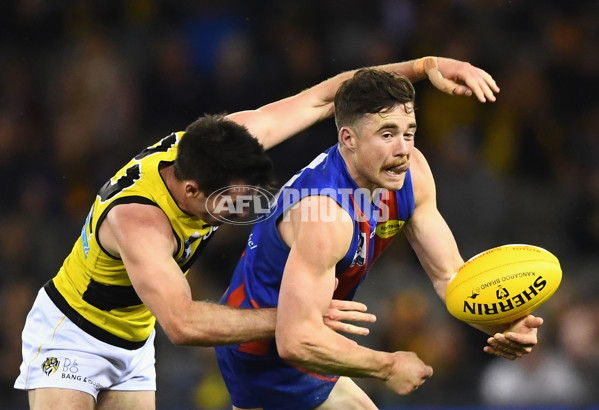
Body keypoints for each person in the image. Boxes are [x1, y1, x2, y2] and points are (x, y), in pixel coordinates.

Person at [15, 56, 499, 410]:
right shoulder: (139, 223)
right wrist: (295, 318)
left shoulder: (223, 143)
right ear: (188, 189)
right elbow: (183, 324)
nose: (244, 203)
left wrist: (425, 66)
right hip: (73, 332)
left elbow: (327, 96)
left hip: (135, 336)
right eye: (229, 199)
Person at [214, 68, 543, 409]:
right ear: (348, 139)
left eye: (409, 132)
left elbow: (449, 277)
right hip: (262, 353)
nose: (403, 148)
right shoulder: (325, 215)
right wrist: (387, 366)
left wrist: (504, 322)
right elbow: (294, 340)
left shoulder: (411, 171)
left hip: (309, 334)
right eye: (387, 134)